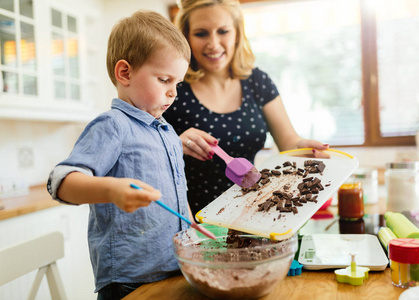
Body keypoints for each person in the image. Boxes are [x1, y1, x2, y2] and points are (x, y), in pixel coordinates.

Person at [46, 10, 191, 300]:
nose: (173, 93)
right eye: (164, 79)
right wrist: (111, 189)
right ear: (125, 73)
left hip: (176, 270)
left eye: (178, 83)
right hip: (129, 283)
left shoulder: (169, 133)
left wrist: (192, 228)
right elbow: (60, 182)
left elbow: (178, 197)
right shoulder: (113, 125)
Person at [164, 0, 329, 216]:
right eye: (201, 33)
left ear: (237, 34)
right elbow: (148, 157)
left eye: (223, 31)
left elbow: (289, 143)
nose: (213, 43)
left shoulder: (257, 82)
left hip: (252, 215)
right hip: (193, 221)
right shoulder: (172, 88)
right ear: (185, 37)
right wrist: (175, 144)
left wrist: (306, 149)